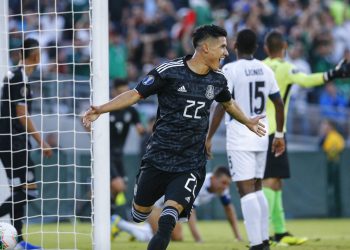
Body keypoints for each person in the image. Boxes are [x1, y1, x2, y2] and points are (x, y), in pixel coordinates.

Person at [83, 24, 266, 250]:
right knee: (139, 213)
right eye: (222, 47)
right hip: (158, 156)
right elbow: (134, 94)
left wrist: (247, 120)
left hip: (191, 161)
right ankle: (137, 216)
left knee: (168, 220)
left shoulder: (218, 79)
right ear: (206, 48)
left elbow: (228, 104)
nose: (226, 53)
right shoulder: (169, 71)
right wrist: (101, 109)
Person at [262, 30, 350, 246]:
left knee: (276, 182)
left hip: (258, 130)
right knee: (270, 180)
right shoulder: (285, 67)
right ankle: (262, 234)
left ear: (266, 48)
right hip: (275, 132)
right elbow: (306, 80)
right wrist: (333, 74)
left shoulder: (259, 66)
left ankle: (280, 231)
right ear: (284, 48)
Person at [206, 29, 285, 250]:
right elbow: (278, 104)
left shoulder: (230, 69)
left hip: (240, 137)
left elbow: (224, 105)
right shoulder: (265, 68)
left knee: (244, 190)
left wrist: (209, 136)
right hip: (261, 134)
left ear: (235, 46)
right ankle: (264, 240)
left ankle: (256, 243)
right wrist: (279, 135)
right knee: (257, 187)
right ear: (257, 48)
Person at [0, 38, 53, 249]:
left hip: (7, 140)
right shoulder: (20, 78)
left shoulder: (11, 75)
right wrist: (41, 141)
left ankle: (19, 242)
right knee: (29, 191)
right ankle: (18, 240)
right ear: (36, 56)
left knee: (18, 192)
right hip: (15, 141)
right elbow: (21, 114)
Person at [147, 165, 242, 242]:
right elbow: (191, 213)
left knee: (177, 238)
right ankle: (141, 230)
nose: (225, 187)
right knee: (161, 237)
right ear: (213, 178)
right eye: (223, 183)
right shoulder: (199, 183)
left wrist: (238, 236)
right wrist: (199, 239)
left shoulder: (222, 188)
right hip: (158, 206)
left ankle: (147, 229)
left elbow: (229, 210)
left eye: (228, 184)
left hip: (174, 209)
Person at [108, 79, 144, 211]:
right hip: (106, 154)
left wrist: (144, 130)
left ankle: (105, 210)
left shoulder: (132, 111)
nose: (123, 95)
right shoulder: (108, 107)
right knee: (119, 186)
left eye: (125, 91)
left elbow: (140, 128)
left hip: (119, 154)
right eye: (120, 92)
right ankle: (108, 212)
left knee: (119, 187)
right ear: (114, 92)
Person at [319, 119, 345, 217]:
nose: (323, 128)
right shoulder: (326, 137)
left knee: (334, 190)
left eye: (325, 125)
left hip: (333, 167)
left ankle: (335, 211)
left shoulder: (334, 137)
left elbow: (334, 152)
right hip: (329, 167)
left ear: (330, 127)